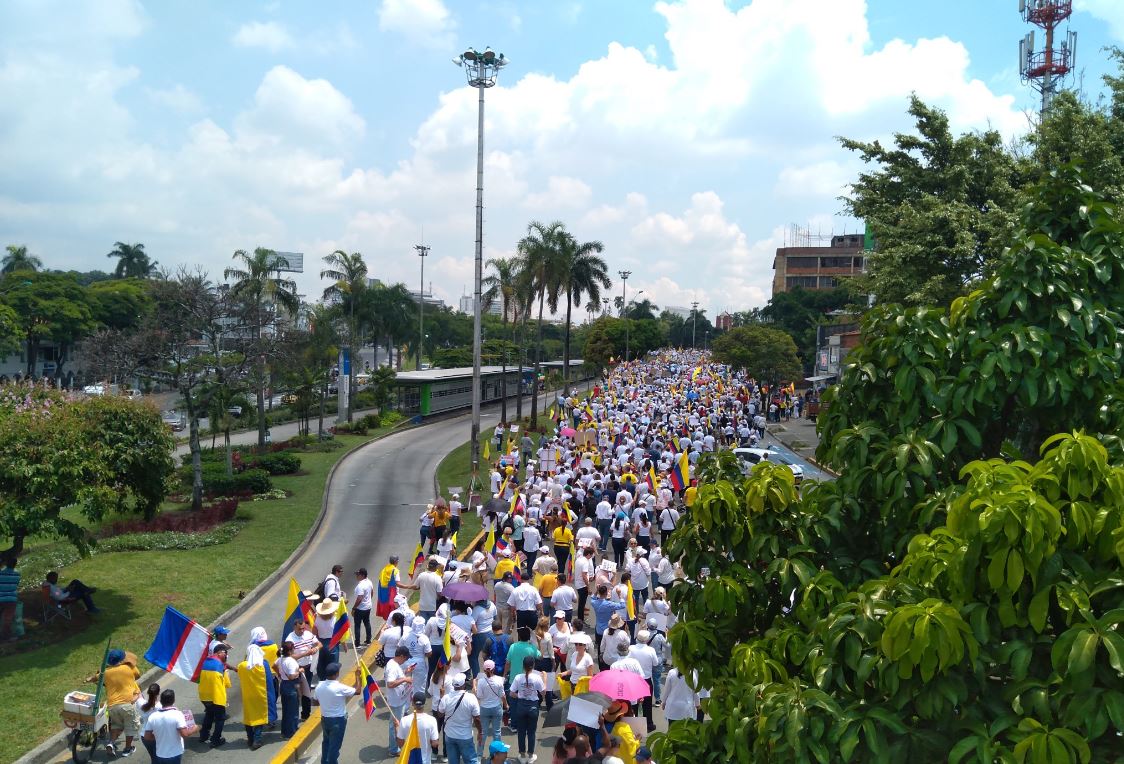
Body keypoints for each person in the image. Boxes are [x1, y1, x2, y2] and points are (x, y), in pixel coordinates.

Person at [85, 648, 141, 757]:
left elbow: (94, 678)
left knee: (116, 726)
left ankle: (111, 743)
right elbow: (137, 674)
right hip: (127, 704)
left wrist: (89, 679)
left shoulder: (105, 673)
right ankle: (127, 749)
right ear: (121, 659)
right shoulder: (128, 668)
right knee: (131, 726)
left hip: (112, 706)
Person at [238, 628, 277, 750]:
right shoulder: (263, 664)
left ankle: (250, 738)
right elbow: (269, 681)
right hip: (261, 695)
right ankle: (257, 740)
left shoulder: (242, 666)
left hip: (248, 696)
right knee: (259, 719)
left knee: (249, 718)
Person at [315, 662, 361, 764]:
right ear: (336, 674)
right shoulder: (339, 687)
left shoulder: (319, 686)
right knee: (334, 747)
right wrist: (357, 676)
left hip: (325, 719)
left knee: (326, 742)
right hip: (338, 721)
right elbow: (357, 691)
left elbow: (315, 700)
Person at [142, 689, 197, 764]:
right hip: (174, 753)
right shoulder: (177, 714)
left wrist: (159, 736)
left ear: (161, 701)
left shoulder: (153, 716)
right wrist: (195, 728)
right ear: (173, 700)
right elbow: (185, 734)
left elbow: (147, 737)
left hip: (160, 754)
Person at [439, 672, 483, 764]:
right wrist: (480, 732)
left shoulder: (446, 698)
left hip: (450, 735)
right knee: (471, 761)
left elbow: (440, 714)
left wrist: (441, 697)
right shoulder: (471, 698)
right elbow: (477, 718)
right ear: (463, 684)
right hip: (465, 736)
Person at [508, 655, 546, 762]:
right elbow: (543, 692)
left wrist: (520, 695)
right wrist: (545, 680)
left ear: (523, 666)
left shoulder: (518, 677)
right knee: (531, 732)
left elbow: (511, 693)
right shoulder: (537, 677)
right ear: (533, 665)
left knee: (521, 731)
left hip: (521, 706)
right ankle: (530, 755)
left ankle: (522, 754)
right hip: (533, 706)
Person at [284, 618, 319, 721]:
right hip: (296, 669)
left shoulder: (308, 634)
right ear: (294, 627)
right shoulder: (289, 640)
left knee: (307, 691)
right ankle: (294, 716)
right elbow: (289, 657)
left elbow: (318, 644)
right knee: (296, 693)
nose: (302, 631)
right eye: (300, 629)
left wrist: (315, 649)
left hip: (308, 668)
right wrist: (305, 653)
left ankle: (306, 714)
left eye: (303, 628)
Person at [198, 644, 231, 748]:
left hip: (204, 696)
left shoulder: (205, 662)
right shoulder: (220, 666)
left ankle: (203, 735)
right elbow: (227, 684)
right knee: (220, 719)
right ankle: (215, 739)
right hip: (216, 697)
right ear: (219, 652)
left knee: (209, 714)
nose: (226, 655)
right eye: (225, 653)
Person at [384, 645, 415, 756]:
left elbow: (397, 678)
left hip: (399, 699)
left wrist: (406, 672)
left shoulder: (395, 664)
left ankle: (395, 746)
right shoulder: (392, 667)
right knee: (395, 725)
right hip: (396, 701)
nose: (406, 660)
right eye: (406, 658)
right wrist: (405, 679)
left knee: (397, 724)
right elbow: (390, 683)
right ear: (401, 656)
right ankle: (393, 749)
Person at [628, 631, 660, 732]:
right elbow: (656, 663)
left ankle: (634, 724)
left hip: (634, 680)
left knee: (634, 704)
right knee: (647, 704)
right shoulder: (650, 650)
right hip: (646, 680)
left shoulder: (631, 648)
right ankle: (648, 724)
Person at [398, 691, 441, 764]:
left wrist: (397, 727)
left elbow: (400, 744)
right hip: (425, 761)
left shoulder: (404, 720)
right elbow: (435, 743)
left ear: (412, 703)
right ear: (424, 703)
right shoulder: (432, 720)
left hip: (409, 760)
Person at [474, 659, 507, 744]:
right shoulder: (500, 680)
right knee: (497, 732)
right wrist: (506, 705)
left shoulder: (481, 681)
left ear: (484, 670)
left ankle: (479, 755)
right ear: (494, 669)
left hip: (484, 708)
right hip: (496, 708)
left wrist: (475, 688)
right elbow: (502, 695)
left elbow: (479, 696)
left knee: (483, 732)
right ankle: (496, 754)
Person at [275, 641, 301, 740]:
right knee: (293, 710)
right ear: (290, 651)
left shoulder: (280, 659)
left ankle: (285, 731)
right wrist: (299, 671)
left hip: (284, 685)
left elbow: (274, 665)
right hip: (291, 685)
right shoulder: (291, 661)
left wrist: (280, 675)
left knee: (286, 710)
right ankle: (291, 732)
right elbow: (291, 676)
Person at [314, 599, 341, 681]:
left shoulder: (317, 619)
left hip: (321, 643)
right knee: (332, 664)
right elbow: (339, 633)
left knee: (321, 663)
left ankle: (322, 679)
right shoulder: (335, 619)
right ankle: (331, 681)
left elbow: (314, 632)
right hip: (332, 643)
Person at [136, 683, 162, 762]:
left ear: (148, 692)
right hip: (157, 736)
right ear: (158, 693)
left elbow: (139, 695)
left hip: (144, 736)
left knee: (154, 758)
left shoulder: (141, 704)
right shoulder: (161, 707)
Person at [353, 567, 374, 646]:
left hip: (360, 609)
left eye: (358, 574)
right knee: (367, 623)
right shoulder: (369, 582)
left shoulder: (361, 586)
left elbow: (359, 598)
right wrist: (368, 601)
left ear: (362, 575)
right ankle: (368, 640)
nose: (357, 576)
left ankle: (357, 644)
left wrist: (354, 608)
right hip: (368, 607)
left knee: (357, 625)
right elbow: (372, 592)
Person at [0, 555, 19, 641]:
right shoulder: (17, 575)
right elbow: (16, 585)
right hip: (11, 599)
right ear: (15, 564)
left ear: (6, 563)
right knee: (8, 618)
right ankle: (6, 636)